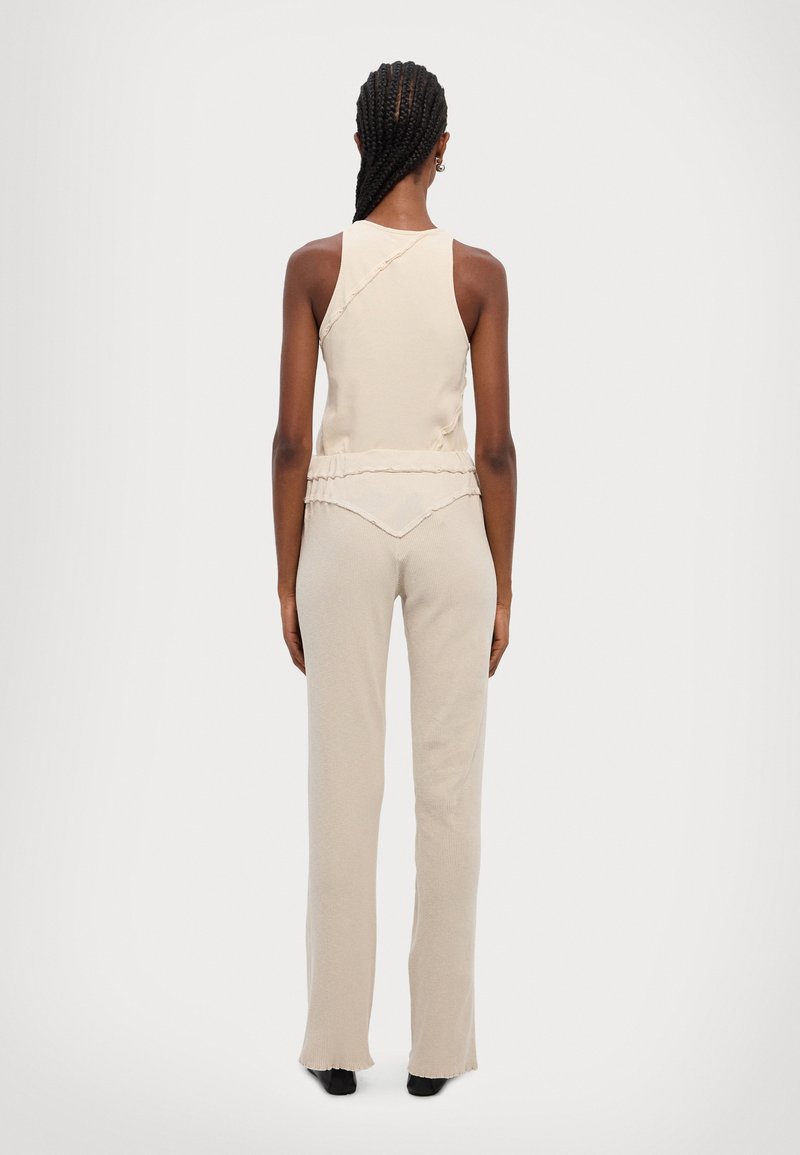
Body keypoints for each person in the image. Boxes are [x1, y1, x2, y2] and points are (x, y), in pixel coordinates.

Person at [272, 60, 516, 1098]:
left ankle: (335, 1045)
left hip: (341, 520)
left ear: (362, 142)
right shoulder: (478, 275)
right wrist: (505, 583)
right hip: (451, 522)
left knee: (344, 787)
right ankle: (437, 1054)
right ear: (442, 148)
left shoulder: (315, 267)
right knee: (449, 793)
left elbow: (291, 440)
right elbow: (495, 449)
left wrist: (285, 577)